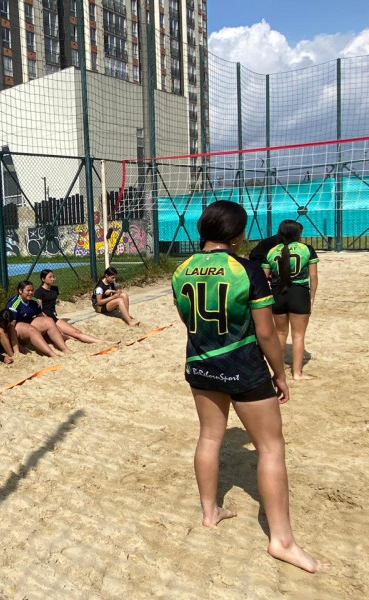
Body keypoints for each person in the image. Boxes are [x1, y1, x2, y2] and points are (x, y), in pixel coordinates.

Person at [172, 200, 325, 573]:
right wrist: (281, 373)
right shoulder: (248, 269)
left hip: (201, 364)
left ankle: (210, 512)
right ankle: (282, 541)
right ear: (238, 235)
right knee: (271, 447)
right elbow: (266, 332)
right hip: (242, 367)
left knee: (209, 437)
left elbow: (190, 322)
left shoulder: (181, 271)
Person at [262, 220, 319, 381]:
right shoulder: (306, 249)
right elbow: (313, 276)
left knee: (280, 334)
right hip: (299, 293)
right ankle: (297, 373)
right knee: (298, 335)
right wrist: (312, 299)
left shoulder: (272, 251)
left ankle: (278, 373)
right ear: (297, 234)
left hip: (278, 293)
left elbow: (263, 277)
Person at [6, 280, 71, 357]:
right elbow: (10, 327)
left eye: (32, 290)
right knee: (31, 329)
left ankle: (64, 349)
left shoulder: (34, 301)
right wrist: (16, 347)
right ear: (20, 291)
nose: (30, 293)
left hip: (29, 322)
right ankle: (52, 354)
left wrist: (55, 327)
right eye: (28, 290)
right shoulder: (14, 304)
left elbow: (41, 315)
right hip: (17, 328)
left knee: (49, 321)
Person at [34, 269, 100, 344]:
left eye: (53, 277)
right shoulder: (39, 292)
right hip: (46, 319)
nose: (52, 279)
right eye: (50, 277)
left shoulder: (55, 289)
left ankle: (103, 342)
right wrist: (50, 322)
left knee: (77, 332)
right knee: (61, 334)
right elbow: (39, 311)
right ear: (43, 279)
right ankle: (68, 337)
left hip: (54, 317)